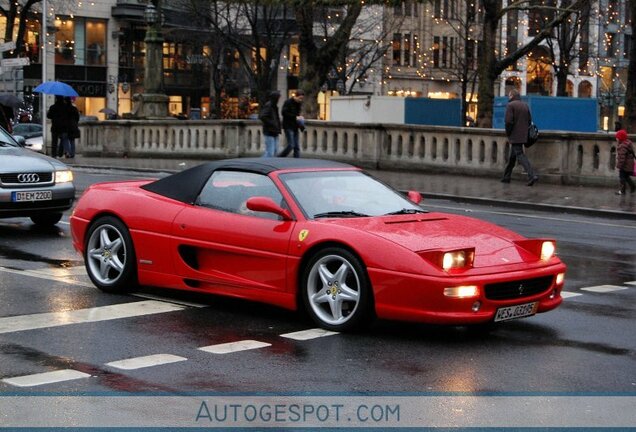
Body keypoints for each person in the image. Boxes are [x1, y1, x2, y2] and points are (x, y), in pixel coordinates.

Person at [501, 89, 539, 186]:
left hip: (515, 135)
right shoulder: (525, 105)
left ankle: (532, 175)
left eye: (509, 95)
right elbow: (529, 120)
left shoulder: (510, 106)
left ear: (512, 96)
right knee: (512, 157)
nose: (508, 97)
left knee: (520, 155)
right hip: (524, 134)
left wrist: (508, 133)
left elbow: (508, 122)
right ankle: (506, 177)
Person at [278, 89, 305, 158]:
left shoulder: (298, 104)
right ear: (295, 96)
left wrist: (299, 118)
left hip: (295, 126)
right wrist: (295, 117)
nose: (301, 100)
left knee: (296, 146)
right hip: (288, 126)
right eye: (300, 98)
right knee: (291, 144)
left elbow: (297, 114)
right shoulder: (288, 102)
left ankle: (297, 160)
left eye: (302, 99)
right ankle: (281, 157)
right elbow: (284, 113)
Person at [258, 91, 281, 157]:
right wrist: (272, 123)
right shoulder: (269, 105)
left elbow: (276, 118)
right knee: (270, 152)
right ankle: (262, 163)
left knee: (275, 151)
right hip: (269, 131)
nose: (279, 99)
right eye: (278, 97)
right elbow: (262, 116)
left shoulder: (274, 106)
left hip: (274, 131)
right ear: (275, 98)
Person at [614, 129, 635, 195]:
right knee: (626, 177)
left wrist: (619, 166)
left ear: (620, 138)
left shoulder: (622, 146)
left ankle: (622, 191)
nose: (616, 139)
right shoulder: (628, 143)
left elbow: (621, 158)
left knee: (622, 177)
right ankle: (632, 186)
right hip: (629, 164)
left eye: (617, 138)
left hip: (624, 165)